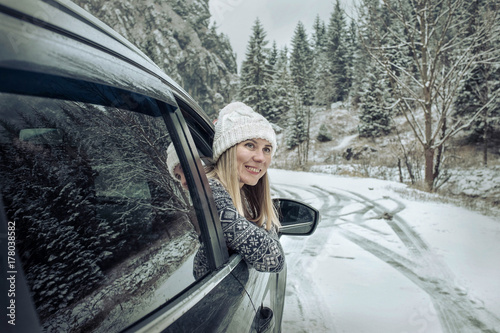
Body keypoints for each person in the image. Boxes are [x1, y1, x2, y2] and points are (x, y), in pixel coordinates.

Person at [193, 101, 285, 278]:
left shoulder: (245, 195)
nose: (260, 158)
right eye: (250, 145)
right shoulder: (211, 194)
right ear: (227, 150)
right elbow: (274, 259)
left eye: (267, 149)